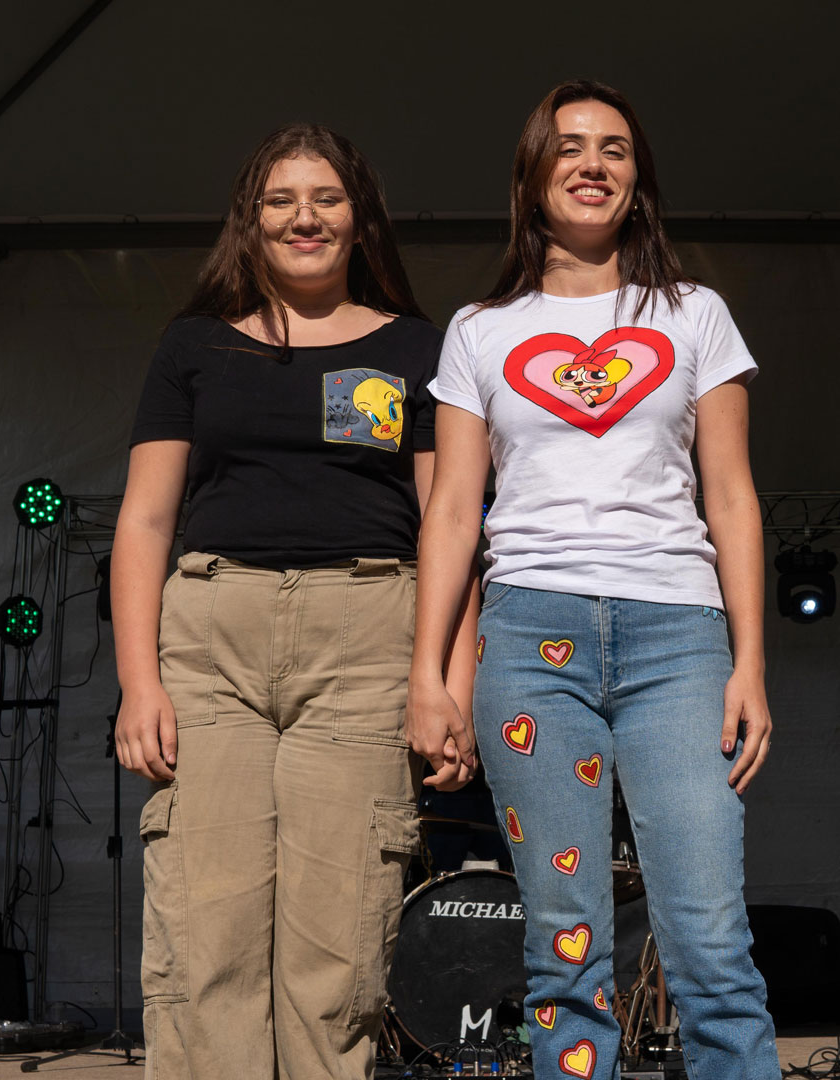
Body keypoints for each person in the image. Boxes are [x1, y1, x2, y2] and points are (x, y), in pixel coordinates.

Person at [406, 80, 781, 1080]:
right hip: (530, 644)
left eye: (614, 148)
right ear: (531, 176)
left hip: (677, 640)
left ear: (637, 178)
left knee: (708, 938)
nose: (591, 164)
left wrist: (749, 662)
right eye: (568, 146)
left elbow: (731, 495)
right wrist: (428, 675)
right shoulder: (479, 329)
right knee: (563, 949)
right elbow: (452, 512)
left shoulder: (694, 313)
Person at [111, 123, 474, 1080]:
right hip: (211, 640)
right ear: (251, 219)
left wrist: (450, 686)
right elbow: (144, 521)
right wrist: (138, 685)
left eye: (326, 199)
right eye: (281, 200)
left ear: (361, 219)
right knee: (208, 933)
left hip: (367, 637)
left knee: (337, 949)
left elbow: (449, 528)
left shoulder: (415, 346)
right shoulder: (192, 345)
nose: (304, 218)